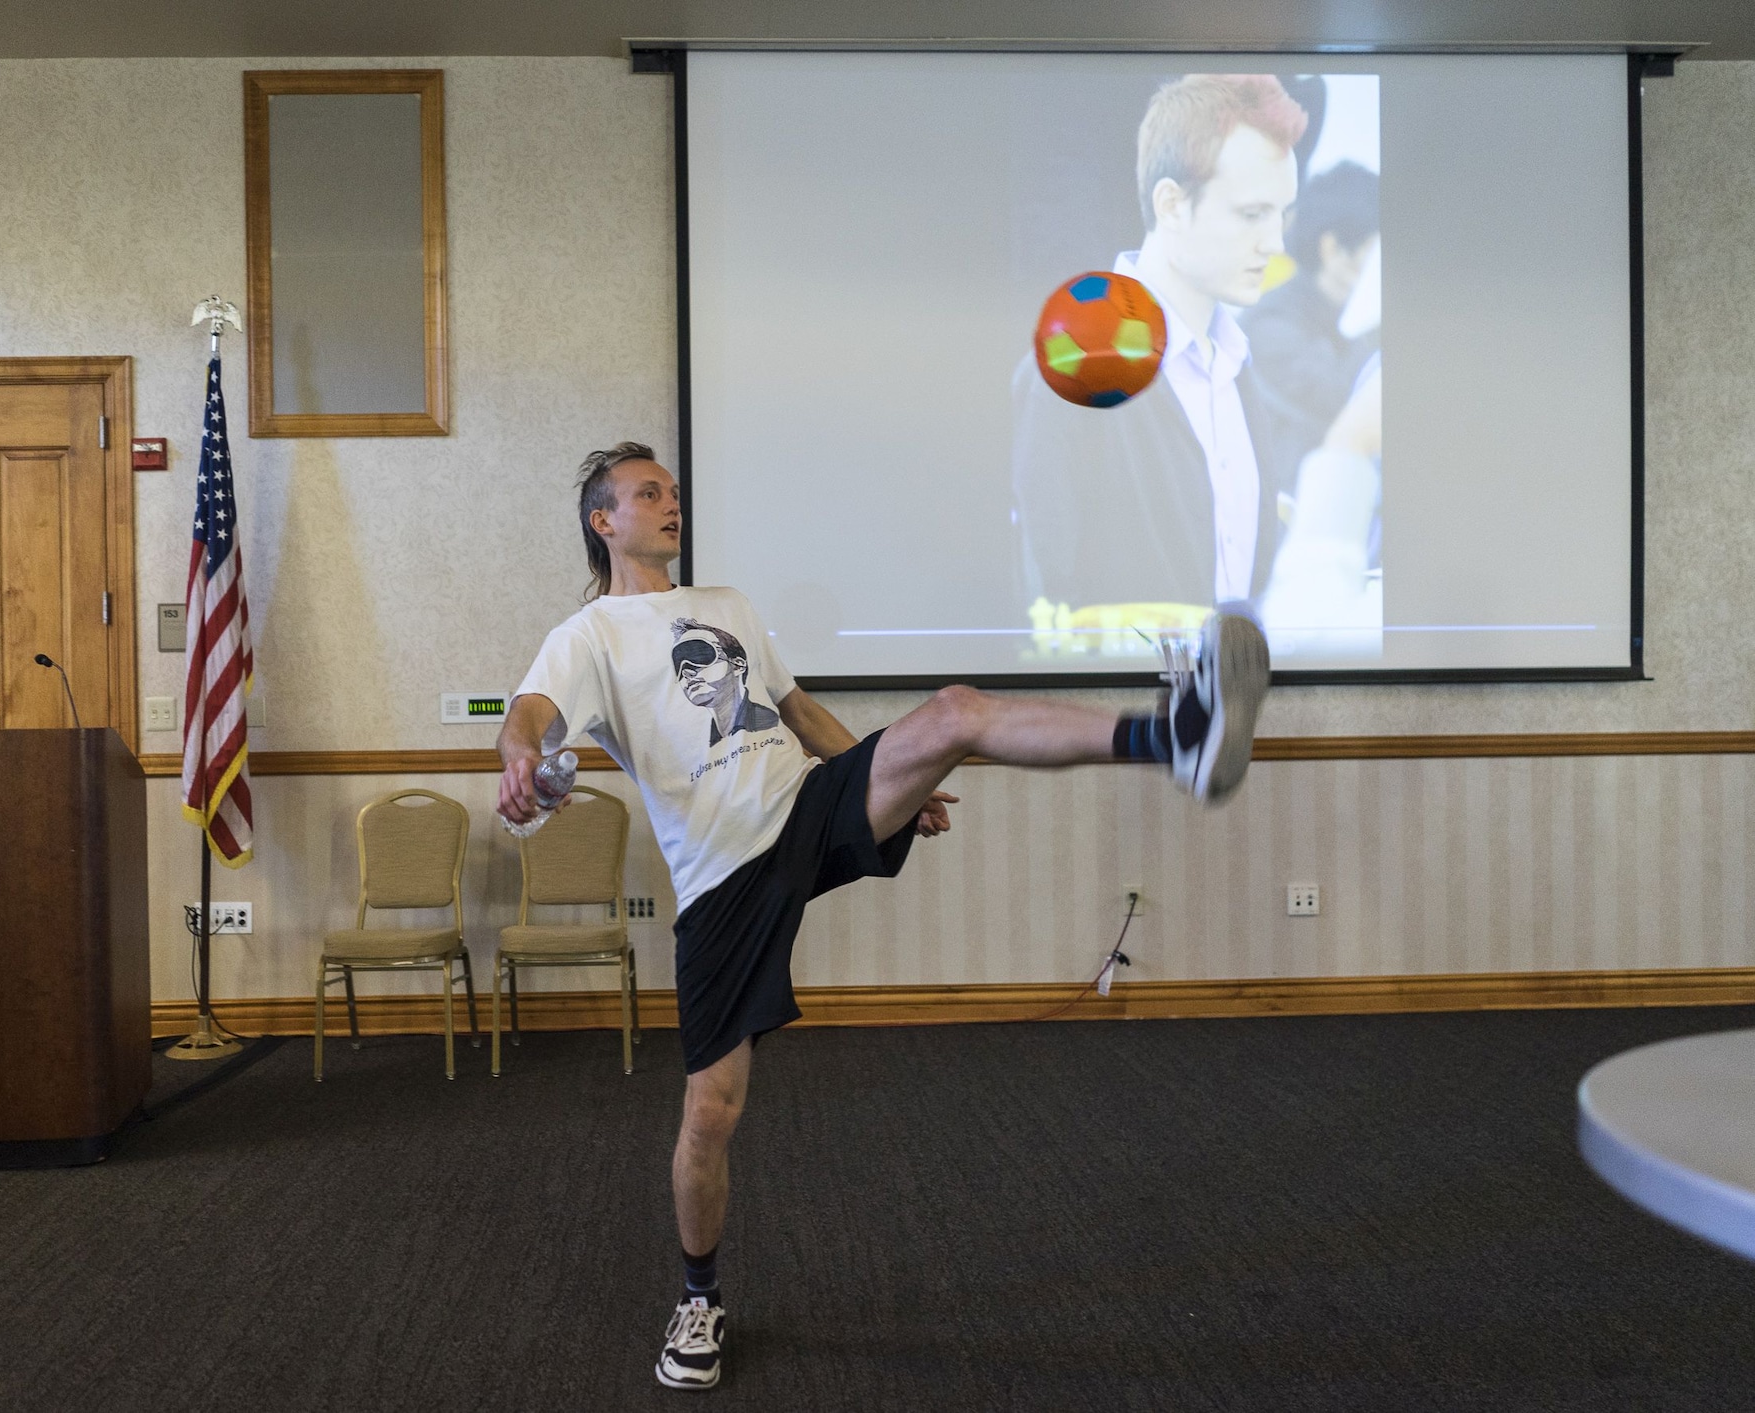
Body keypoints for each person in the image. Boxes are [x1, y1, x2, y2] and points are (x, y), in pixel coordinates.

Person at [497, 442, 1271, 1392]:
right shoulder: (589, 636)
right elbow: (527, 715)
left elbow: (799, 711)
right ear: (601, 520)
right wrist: (519, 757)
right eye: (646, 493)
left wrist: (894, 779)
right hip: (721, 880)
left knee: (951, 712)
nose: (671, 503)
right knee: (711, 1110)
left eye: (672, 491)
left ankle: (1179, 736)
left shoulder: (729, 605)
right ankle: (699, 1296)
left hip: (809, 803)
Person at [1013, 73, 1308, 622]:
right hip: (1112, 702)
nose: (1275, 242)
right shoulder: (1071, 366)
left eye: (1282, 214)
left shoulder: (1236, 363)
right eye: (1251, 214)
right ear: (1171, 204)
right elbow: (1048, 597)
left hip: (1233, 697)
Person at [1241, 160, 1381, 500]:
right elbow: (1349, 402)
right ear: (1333, 249)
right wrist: (1374, 318)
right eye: (1377, 253)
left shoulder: (1338, 320)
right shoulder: (1267, 328)